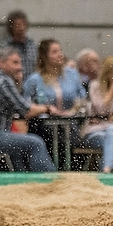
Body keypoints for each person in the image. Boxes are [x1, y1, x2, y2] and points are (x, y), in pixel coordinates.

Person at [23, 39, 87, 168]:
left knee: (70, 138)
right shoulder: (34, 79)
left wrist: (72, 111)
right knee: (53, 136)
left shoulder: (72, 74)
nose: (60, 54)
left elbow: (82, 98)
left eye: (60, 51)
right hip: (45, 125)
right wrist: (45, 109)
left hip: (70, 122)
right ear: (45, 56)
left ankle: (71, 171)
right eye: (54, 52)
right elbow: (25, 104)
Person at [0, 10, 37, 81]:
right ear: (11, 27)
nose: (21, 28)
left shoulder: (32, 44)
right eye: (17, 25)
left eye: (23, 24)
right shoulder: (5, 46)